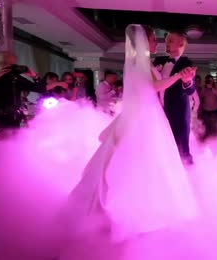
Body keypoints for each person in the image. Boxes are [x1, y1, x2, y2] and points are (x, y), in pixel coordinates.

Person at [65, 25, 197, 242]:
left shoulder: (158, 62)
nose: (161, 43)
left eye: (168, 40)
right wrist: (174, 78)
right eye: (156, 40)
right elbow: (152, 87)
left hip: (162, 115)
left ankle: (151, 201)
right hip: (148, 116)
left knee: (158, 158)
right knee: (146, 160)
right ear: (144, 41)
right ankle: (143, 208)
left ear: (181, 43)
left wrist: (185, 79)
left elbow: (188, 90)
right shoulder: (144, 62)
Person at [154, 32, 197, 165]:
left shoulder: (187, 63)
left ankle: (188, 172)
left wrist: (187, 81)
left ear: (181, 44)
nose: (167, 43)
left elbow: (190, 90)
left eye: (171, 41)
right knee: (162, 144)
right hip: (158, 110)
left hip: (179, 111)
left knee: (181, 144)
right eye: (166, 41)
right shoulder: (158, 61)